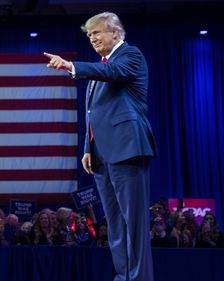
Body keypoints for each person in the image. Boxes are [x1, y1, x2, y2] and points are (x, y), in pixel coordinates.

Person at [44, 11, 156, 281]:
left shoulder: (130, 56)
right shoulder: (100, 67)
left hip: (127, 148)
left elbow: (113, 72)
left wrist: (71, 66)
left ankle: (139, 278)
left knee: (134, 223)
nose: (91, 38)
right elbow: (93, 113)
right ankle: (123, 276)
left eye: (96, 32)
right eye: (89, 34)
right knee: (115, 225)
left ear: (115, 33)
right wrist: (86, 147)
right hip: (101, 154)